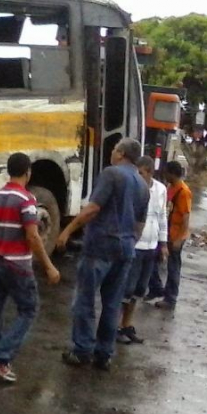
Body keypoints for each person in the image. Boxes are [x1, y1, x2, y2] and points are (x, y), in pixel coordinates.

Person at [55, 138, 149, 370]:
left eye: (115, 148)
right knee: (112, 303)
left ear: (121, 154)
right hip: (126, 249)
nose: (112, 152)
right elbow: (140, 223)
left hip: (101, 245)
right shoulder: (143, 184)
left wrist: (67, 230)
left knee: (85, 300)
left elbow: (94, 208)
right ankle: (104, 354)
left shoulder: (111, 174)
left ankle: (82, 350)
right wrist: (129, 241)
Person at [0, 153, 61, 382]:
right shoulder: (27, 200)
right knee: (28, 309)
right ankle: (0, 356)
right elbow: (33, 236)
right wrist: (48, 266)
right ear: (28, 172)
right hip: (17, 264)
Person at [117, 157, 169, 344]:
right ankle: (116, 326)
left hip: (151, 246)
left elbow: (162, 217)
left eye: (141, 173)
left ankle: (127, 325)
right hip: (134, 245)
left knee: (139, 289)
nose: (138, 176)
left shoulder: (161, 190)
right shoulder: (131, 188)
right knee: (126, 289)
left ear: (149, 173)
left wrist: (163, 244)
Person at [154, 161, 192, 309]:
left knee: (173, 267)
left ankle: (170, 299)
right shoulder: (171, 188)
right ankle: (158, 289)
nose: (164, 175)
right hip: (168, 233)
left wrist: (180, 238)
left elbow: (186, 216)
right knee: (155, 262)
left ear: (171, 173)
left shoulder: (183, 191)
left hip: (176, 235)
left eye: (166, 172)